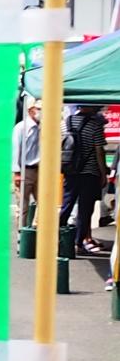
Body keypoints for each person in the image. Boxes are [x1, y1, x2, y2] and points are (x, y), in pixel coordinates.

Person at [60, 104, 107, 256]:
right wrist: (103, 173)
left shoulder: (66, 122)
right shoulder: (95, 125)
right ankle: (78, 243)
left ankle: (57, 237)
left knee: (67, 204)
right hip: (90, 173)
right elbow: (99, 151)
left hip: (70, 171)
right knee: (85, 210)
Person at [12, 99, 41, 230]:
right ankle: (22, 233)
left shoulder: (42, 126)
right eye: (39, 109)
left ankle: (36, 229)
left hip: (40, 169)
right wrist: (16, 172)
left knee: (43, 202)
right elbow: (15, 150)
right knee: (23, 205)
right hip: (25, 170)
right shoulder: (21, 128)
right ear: (30, 111)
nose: (42, 112)